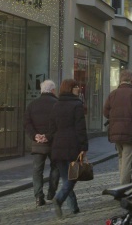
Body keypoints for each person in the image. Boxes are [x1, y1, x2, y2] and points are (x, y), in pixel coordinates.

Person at [49, 79, 88, 219]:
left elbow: (52, 128)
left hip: (58, 146)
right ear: (70, 89)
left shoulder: (56, 105)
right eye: (75, 86)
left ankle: (74, 207)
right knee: (73, 177)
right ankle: (59, 199)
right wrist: (84, 147)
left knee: (67, 178)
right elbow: (80, 128)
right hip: (72, 145)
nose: (78, 88)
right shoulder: (77, 105)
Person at [24, 79, 60, 207]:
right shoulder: (57, 104)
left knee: (37, 169)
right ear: (53, 90)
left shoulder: (32, 104)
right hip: (54, 142)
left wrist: (35, 136)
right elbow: (59, 125)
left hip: (38, 143)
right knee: (56, 167)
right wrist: (48, 136)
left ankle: (39, 197)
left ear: (41, 90)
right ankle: (51, 193)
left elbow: (27, 123)